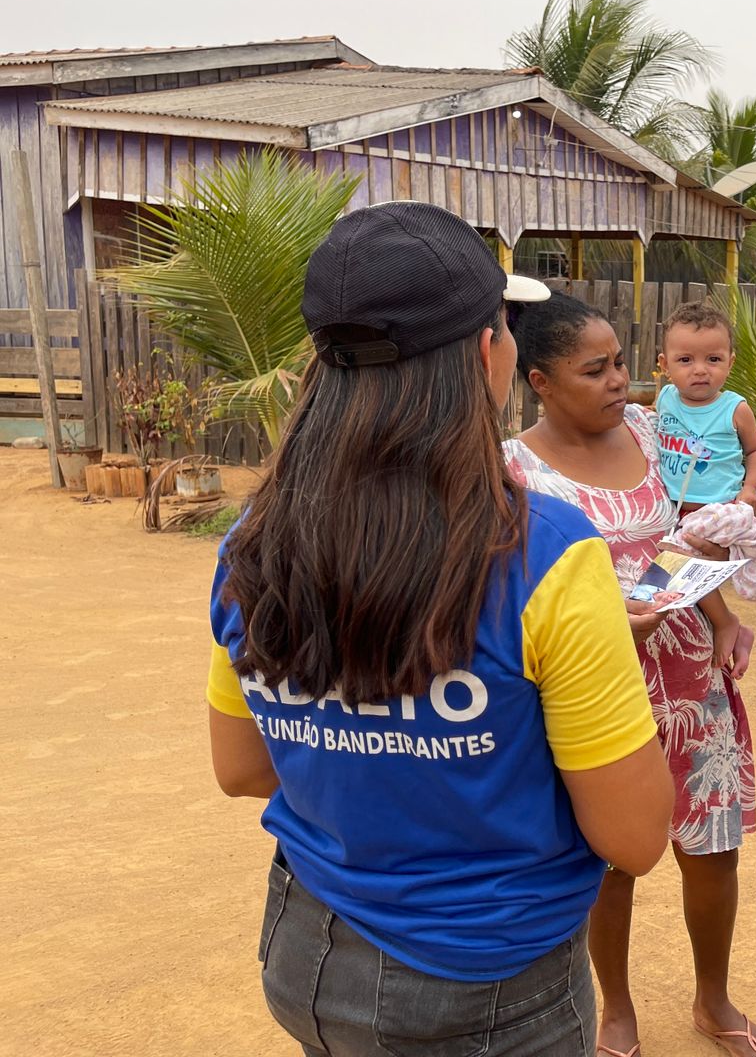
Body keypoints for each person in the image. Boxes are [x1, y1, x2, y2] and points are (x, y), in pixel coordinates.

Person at [205, 201, 674, 1057]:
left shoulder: (254, 541)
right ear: (488, 354)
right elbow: (636, 838)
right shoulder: (547, 552)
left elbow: (241, 768)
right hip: (490, 988)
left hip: (307, 951)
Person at [504, 292, 756, 1057]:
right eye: (596, 371)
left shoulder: (647, 430)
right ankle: (617, 1008)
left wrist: (724, 618)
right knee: (610, 852)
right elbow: (514, 593)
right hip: (593, 682)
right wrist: (605, 625)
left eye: (621, 363)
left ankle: (714, 1001)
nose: (619, 382)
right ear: (541, 381)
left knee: (713, 843)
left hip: (688, 665)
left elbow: (675, 540)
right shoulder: (513, 469)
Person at [654, 300, 756, 674]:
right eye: (685, 360)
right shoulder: (666, 399)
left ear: (730, 363)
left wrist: (750, 490)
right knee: (680, 567)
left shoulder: (734, 408)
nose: (700, 370)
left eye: (713, 360)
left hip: (718, 509)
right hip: (676, 506)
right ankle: (724, 625)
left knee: (674, 558)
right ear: (664, 365)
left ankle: (726, 622)